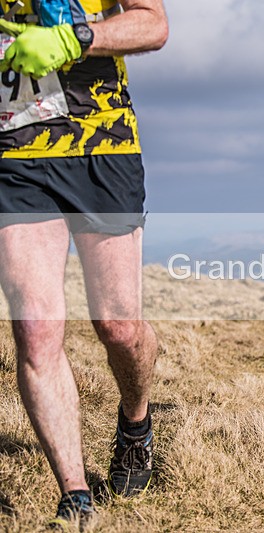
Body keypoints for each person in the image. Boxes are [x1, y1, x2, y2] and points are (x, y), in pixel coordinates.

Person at [0, 0, 167, 527]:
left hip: (102, 145)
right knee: (35, 328)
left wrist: (75, 39)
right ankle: (74, 492)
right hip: (14, 154)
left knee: (118, 327)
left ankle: (136, 421)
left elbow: (154, 23)